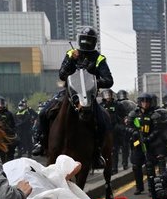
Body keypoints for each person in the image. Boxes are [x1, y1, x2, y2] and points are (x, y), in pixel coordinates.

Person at [33, 26, 113, 156]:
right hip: (69, 94)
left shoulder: (99, 59)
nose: (86, 43)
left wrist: (93, 82)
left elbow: (109, 80)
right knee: (43, 113)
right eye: (84, 40)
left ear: (94, 42)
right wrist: (72, 60)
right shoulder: (71, 54)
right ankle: (40, 142)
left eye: (89, 40)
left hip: (89, 97)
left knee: (103, 120)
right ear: (80, 40)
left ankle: (97, 151)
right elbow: (62, 74)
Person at [128, 93, 167, 195]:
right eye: (143, 101)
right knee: (136, 166)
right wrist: (134, 133)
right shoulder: (133, 114)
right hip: (137, 143)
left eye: (147, 101)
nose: (145, 104)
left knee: (149, 166)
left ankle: (151, 189)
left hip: (150, 144)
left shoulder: (154, 114)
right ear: (139, 102)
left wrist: (149, 138)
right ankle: (139, 187)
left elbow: (157, 129)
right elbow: (127, 127)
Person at [0, 96, 17, 163]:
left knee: (11, 150)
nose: (0, 105)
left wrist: (12, 131)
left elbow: (13, 125)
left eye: (1, 103)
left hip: (7, 135)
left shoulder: (9, 114)